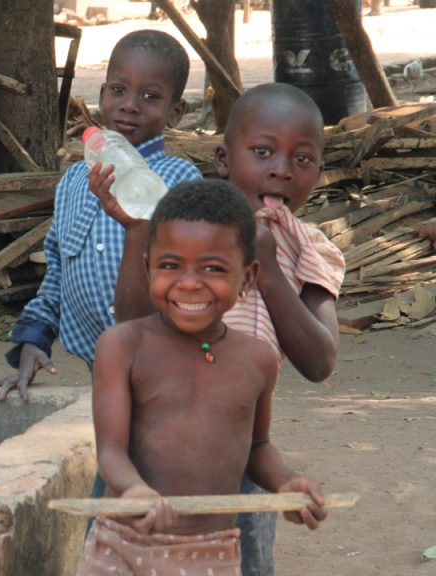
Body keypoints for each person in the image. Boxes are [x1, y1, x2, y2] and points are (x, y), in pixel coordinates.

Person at [107, 82, 346, 575]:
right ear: (223, 159)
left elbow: (319, 361)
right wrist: (136, 232)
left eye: (302, 160)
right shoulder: (182, 230)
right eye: (262, 152)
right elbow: (131, 326)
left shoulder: (312, 251)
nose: (281, 168)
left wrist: (271, 266)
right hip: (143, 470)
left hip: (236, 468)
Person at [76, 179, 328, 576]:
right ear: (148, 267)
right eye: (171, 265)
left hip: (213, 553)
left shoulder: (258, 359)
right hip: (124, 546)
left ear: (248, 277)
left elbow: (256, 446)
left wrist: (286, 482)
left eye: (212, 268)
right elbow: (111, 450)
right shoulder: (122, 346)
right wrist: (134, 490)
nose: (190, 282)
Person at [0, 29, 202, 401]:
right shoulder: (73, 183)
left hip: (177, 371)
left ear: (176, 112)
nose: (130, 105)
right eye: (118, 90)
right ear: (102, 94)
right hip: (104, 373)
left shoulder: (181, 182)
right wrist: (33, 340)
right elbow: (58, 272)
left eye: (150, 96)